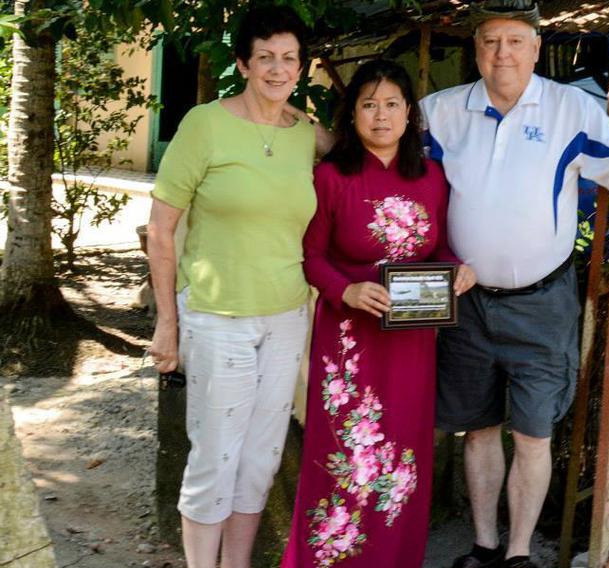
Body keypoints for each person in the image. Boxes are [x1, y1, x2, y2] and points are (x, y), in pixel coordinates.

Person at [419, 2, 609, 567]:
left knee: (533, 436)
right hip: (466, 304)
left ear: (534, 48)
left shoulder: (571, 109)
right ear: (476, 49)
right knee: (478, 431)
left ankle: (520, 554)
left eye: (514, 41)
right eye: (490, 42)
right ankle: (483, 544)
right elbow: (386, 162)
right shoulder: (441, 112)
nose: (501, 53)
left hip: (542, 303)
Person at [146, 5, 330, 567]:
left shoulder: (305, 134)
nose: (278, 69)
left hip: (285, 318)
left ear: (301, 66)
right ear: (245, 64)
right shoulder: (205, 124)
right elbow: (161, 228)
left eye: (289, 58)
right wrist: (166, 324)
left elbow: (367, 155)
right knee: (215, 459)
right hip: (216, 316)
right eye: (266, 57)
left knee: (261, 460)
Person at [281, 60, 476, 568]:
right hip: (348, 343)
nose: (381, 115)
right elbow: (312, 257)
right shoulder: (330, 177)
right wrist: (346, 291)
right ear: (353, 114)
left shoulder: (432, 177)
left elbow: (441, 249)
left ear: (410, 113)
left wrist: (458, 271)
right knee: (344, 456)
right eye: (369, 105)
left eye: (392, 104)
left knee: (403, 457)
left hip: (411, 344)